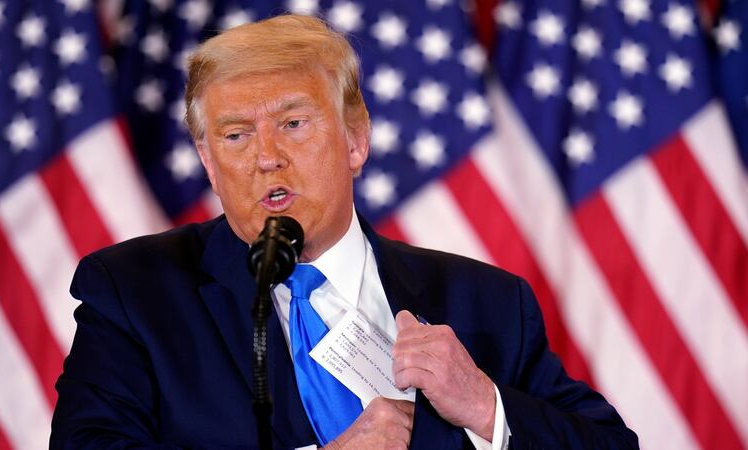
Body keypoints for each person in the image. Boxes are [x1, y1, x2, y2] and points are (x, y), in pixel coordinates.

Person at [50, 14, 638, 450]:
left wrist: (486, 408)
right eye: (234, 135)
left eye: (294, 123)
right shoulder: (134, 294)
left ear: (356, 140)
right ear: (206, 159)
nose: (266, 158)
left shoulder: (484, 302)